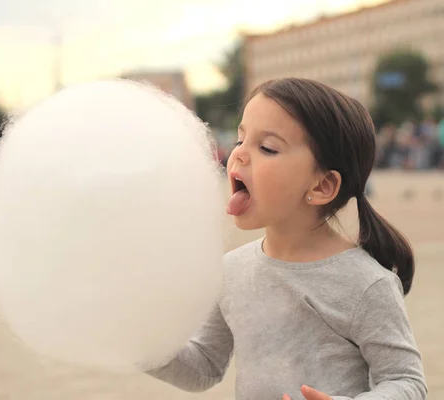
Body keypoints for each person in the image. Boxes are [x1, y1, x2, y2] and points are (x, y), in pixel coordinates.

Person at [147, 78, 427, 400]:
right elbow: (205, 365)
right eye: (241, 140)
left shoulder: (366, 285)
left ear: (321, 186)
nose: (238, 155)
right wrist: (142, 346)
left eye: (267, 147)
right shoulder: (230, 271)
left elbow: (407, 382)